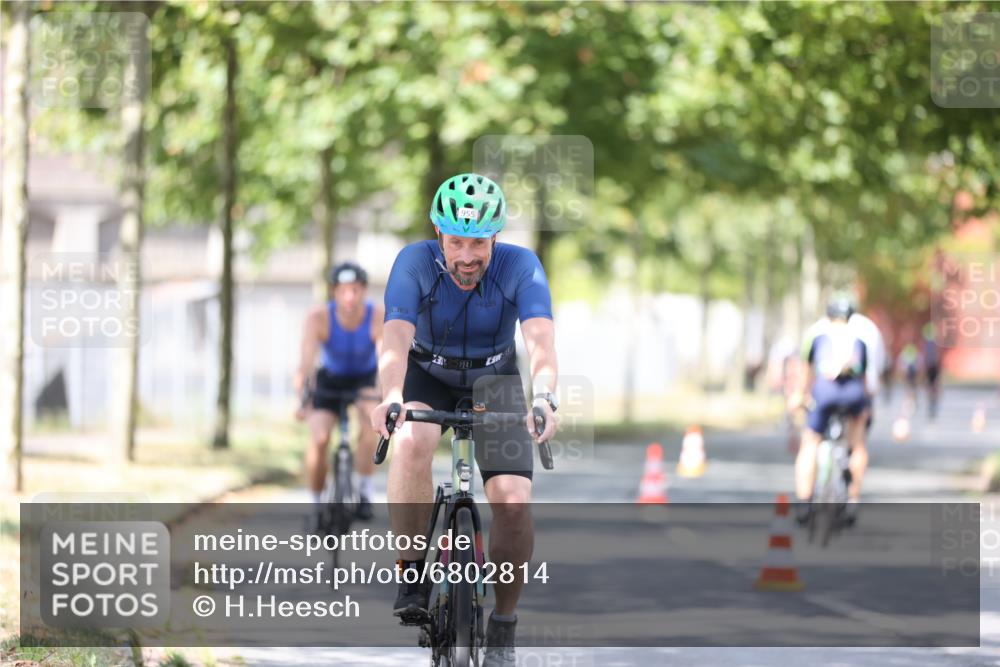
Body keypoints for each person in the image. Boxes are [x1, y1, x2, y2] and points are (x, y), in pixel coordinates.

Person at [371, 173, 558, 667]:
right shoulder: (414, 262)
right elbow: (394, 337)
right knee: (412, 440)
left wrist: (544, 398)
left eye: (479, 241)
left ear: (496, 236)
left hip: (494, 380)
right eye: (457, 241)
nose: (468, 255)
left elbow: (541, 340)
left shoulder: (522, 266)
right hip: (426, 372)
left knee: (513, 502)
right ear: (440, 236)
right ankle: (412, 572)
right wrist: (390, 394)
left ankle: (504, 622)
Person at [294, 262, 383, 528]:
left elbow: (384, 358)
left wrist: (382, 395)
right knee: (320, 437)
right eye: (343, 291)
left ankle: (365, 491)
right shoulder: (318, 317)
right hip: (329, 380)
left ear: (364, 291)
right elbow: (306, 362)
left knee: (371, 427)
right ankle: (316, 503)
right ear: (334, 292)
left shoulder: (377, 315)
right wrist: (302, 396)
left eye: (356, 290)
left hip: (364, 380)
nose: (350, 297)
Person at [788, 293, 870, 527]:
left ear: (828, 315)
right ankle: (853, 499)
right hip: (854, 394)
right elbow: (864, 380)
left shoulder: (817, 337)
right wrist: (866, 409)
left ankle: (804, 502)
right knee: (858, 445)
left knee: (810, 442)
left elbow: (806, 374)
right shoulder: (860, 341)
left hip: (825, 393)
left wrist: (799, 397)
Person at [923, 322, 941, 420]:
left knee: (931, 386)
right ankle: (932, 402)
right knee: (933, 386)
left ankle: (932, 402)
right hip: (932, 366)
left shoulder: (928, 343)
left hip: (931, 367)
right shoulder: (933, 343)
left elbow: (927, 355)